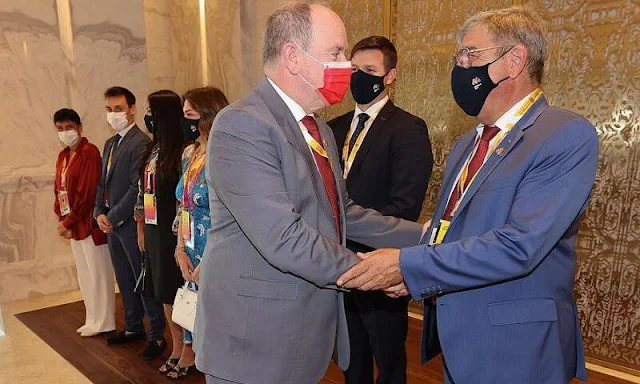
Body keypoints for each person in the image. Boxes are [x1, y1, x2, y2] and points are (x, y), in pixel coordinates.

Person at [338, 7, 598, 384]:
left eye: (470, 54)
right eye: (459, 55)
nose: (460, 66)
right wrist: (412, 272)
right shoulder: (467, 143)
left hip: (515, 348)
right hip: (461, 339)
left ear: (514, 60)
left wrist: (408, 266)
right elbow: (448, 229)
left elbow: (518, 246)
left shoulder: (564, 135)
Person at [195, 3, 425, 384]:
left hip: (301, 340)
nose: (347, 68)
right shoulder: (242, 125)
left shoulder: (316, 128)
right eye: (335, 54)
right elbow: (284, 238)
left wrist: (427, 236)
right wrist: (378, 272)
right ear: (293, 57)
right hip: (256, 346)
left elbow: (342, 213)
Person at [328, 35, 433, 384]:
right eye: (354, 69)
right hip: (337, 263)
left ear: (390, 76)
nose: (359, 77)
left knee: (388, 359)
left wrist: (364, 248)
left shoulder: (408, 128)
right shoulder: (333, 128)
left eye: (369, 70)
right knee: (350, 355)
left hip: (380, 266)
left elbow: (405, 206)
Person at [94, 86, 166, 360]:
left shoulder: (141, 143)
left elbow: (138, 188)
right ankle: (133, 327)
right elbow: (103, 183)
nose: (114, 115)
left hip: (129, 224)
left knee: (142, 280)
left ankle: (157, 335)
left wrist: (112, 218)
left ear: (132, 109)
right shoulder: (110, 144)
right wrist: (99, 212)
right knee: (124, 279)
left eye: (119, 109)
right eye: (109, 110)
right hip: (111, 225)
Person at [170, 86, 229, 380]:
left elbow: (228, 215)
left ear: (208, 116)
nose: (186, 122)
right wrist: (180, 249)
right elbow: (184, 205)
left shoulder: (225, 154)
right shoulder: (189, 153)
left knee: (217, 328)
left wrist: (209, 261)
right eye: (184, 115)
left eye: (190, 115)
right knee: (195, 317)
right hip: (191, 247)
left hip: (217, 251)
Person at [134, 90, 185, 374]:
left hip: (173, 231)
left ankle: (184, 347)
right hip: (153, 231)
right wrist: (141, 228)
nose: (148, 117)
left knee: (175, 291)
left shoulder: (182, 151)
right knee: (163, 292)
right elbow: (143, 192)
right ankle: (175, 343)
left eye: (151, 112)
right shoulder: (152, 150)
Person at [53, 108, 115, 337]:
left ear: (79, 127)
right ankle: (92, 318)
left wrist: (68, 221)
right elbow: (59, 190)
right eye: (59, 129)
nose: (65, 132)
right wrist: (63, 220)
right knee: (85, 274)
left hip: (88, 224)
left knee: (99, 273)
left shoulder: (89, 152)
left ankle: (105, 319)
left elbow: (86, 193)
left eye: (68, 127)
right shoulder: (63, 156)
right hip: (73, 226)